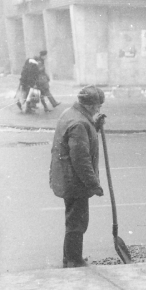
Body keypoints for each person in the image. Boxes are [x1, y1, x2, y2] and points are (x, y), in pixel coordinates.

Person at [49, 86, 106, 268]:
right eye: (98, 105)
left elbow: (81, 139)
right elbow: (81, 160)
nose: (99, 109)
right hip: (75, 181)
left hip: (67, 178)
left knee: (73, 219)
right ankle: (74, 260)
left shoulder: (71, 113)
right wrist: (93, 184)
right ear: (90, 105)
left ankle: (70, 257)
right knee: (78, 222)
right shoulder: (80, 123)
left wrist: (94, 126)